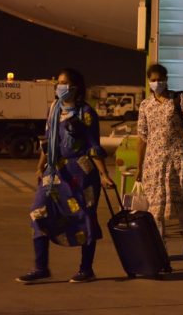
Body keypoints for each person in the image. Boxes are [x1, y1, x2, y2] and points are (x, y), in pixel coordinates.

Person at [16, 68, 115, 284]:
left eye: (64, 83)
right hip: (55, 171)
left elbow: (93, 146)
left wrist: (104, 174)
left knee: (85, 217)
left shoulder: (86, 113)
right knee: (38, 212)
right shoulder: (54, 109)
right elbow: (48, 141)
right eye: (58, 82)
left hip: (81, 172)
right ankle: (41, 267)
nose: (59, 86)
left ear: (75, 87)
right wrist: (40, 167)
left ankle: (86, 269)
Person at [136, 63, 183, 258]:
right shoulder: (145, 105)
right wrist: (139, 167)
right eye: (153, 80)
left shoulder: (178, 99)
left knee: (179, 202)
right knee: (156, 207)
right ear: (149, 81)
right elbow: (142, 137)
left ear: (166, 79)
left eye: (160, 79)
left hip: (175, 159)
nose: (157, 83)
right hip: (154, 162)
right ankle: (161, 250)